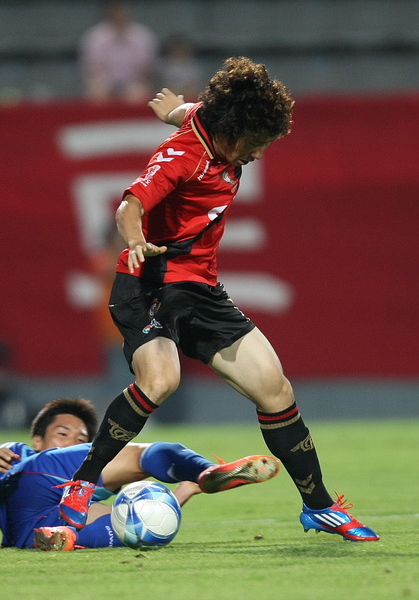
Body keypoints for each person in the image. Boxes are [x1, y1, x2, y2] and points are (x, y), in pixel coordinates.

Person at [59, 56, 380, 542]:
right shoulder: (182, 155)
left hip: (199, 288)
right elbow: (130, 206)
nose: (258, 154)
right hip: (148, 282)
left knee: (275, 389)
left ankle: (319, 507)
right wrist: (136, 240)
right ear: (232, 133)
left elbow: (189, 111)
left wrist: (171, 109)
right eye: (256, 143)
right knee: (161, 380)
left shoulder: (212, 124)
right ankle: (81, 484)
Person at [0, 397, 279, 550]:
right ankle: (204, 470)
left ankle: (65, 538)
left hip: (29, 537)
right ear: (37, 439)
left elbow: (148, 514)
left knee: (138, 525)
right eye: (62, 434)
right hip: (32, 485)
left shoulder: (94, 485)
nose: (72, 443)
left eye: (81, 440)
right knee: (143, 454)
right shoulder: (19, 453)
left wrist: (185, 491)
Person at [79, 0, 159, 102]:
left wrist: (136, 81)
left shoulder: (142, 36)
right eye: (115, 13)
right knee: (97, 93)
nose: (119, 16)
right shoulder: (95, 36)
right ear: (109, 14)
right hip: (103, 82)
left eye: (121, 13)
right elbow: (92, 68)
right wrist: (104, 82)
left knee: (138, 94)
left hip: (134, 81)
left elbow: (147, 67)